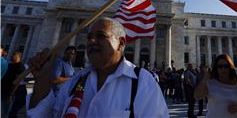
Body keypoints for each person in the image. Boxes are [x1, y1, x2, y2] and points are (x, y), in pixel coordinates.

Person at [27, 17, 169, 118]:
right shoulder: (76, 80)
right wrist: (42, 81)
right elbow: (46, 114)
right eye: (89, 37)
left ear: (121, 43)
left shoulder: (143, 83)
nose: (91, 41)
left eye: (101, 36)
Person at [194, 54, 237, 118]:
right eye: (220, 66)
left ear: (230, 67)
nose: (223, 69)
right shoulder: (211, 83)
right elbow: (197, 96)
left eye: (226, 66)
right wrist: (205, 77)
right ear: (216, 68)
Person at [1, 51, 27, 118]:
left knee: (3, 110)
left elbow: (17, 82)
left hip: (8, 92)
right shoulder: (10, 65)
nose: (11, 56)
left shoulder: (20, 67)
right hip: (3, 90)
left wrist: (11, 93)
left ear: (18, 57)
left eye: (13, 55)